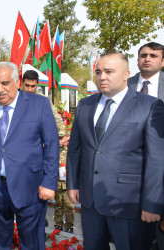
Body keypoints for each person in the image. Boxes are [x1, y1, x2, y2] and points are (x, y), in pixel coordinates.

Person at [67, 52, 164, 250]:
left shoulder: (149, 106)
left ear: (126, 74)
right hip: (90, 201)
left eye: (109, 72)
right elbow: (75, 149)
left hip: (129, 204)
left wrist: (152, 204)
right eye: (98, 72)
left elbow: (156, 159)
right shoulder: (85, 105)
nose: (102, 77)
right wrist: (73, 184)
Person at [0, 62, 59, 250]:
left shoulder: (39, 104)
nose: (0, 89)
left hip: (31, 186)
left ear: (17, 81)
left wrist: (49, 182)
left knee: (32, 242)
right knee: (0, 242)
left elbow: (52, 145)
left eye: (5, 83)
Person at [21, 69, 74, 232]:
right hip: (18, 154)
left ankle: (39, 222)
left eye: (33, 86)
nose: (30, 89)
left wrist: (60, 138)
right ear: (21, 83)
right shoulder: (14, 99)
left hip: (37, 154)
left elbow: (58, 124)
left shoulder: (43, 101)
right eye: (27, 86)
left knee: (37, 191)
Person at [127, 42, 164, 249]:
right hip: (129, 171)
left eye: (153, 55)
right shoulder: (124, 84)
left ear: (162, 60)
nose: (147, 59)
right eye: (143, 55)